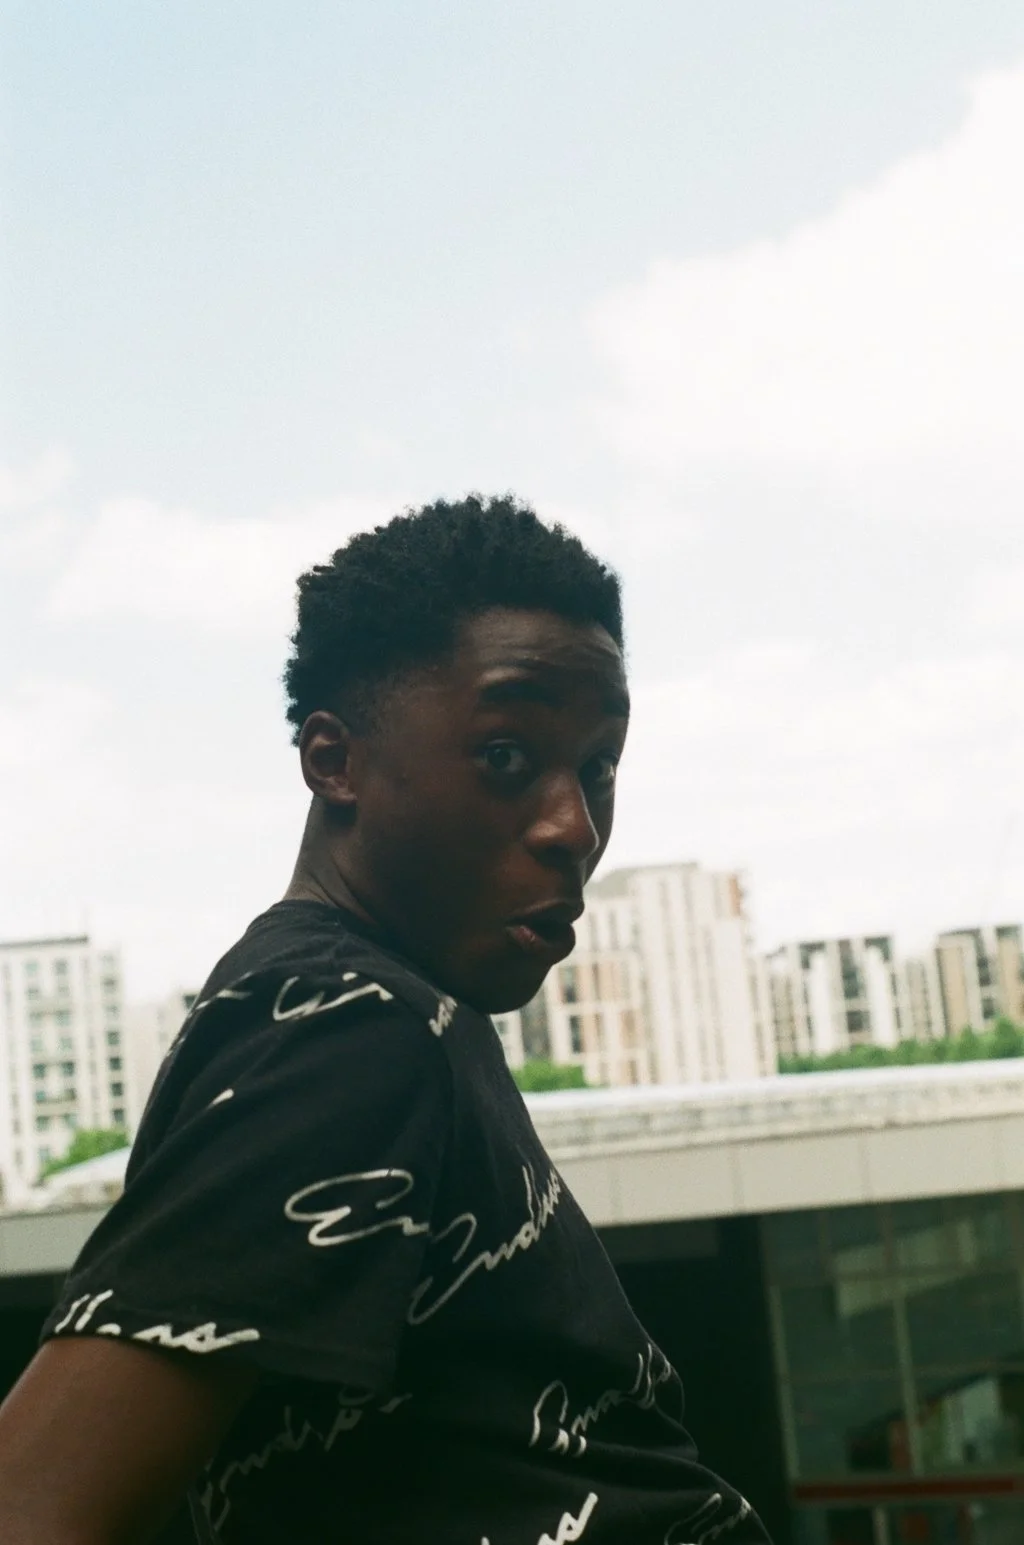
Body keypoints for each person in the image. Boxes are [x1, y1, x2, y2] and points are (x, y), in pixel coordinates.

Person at [0, 496, 772, 1544]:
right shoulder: (344, 1026)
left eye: (598, 766)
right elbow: (34, 1508)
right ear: (335, 762)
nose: (574, 826)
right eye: (506, 756)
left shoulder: (393, 1011)